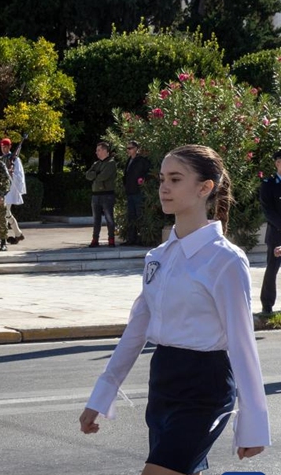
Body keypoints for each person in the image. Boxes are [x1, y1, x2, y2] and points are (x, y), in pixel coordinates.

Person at [79, 145, 270, 475]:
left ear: (204, 188)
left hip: (204, 388)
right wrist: (101, 395)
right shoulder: (158, 257)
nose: (164, 188)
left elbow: (242, 344)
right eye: (162, 179)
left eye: (176, 179)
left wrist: (253, 422)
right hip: (163, 380)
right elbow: (136, 331)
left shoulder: (224, 259)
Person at [259, 150, 281, 313]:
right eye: (280, 162)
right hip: (276, 234)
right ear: (277, 163)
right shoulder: (268, 183)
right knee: (272, 269)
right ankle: (267, 305)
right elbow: (268, 210)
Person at [85, 141, 117, 247]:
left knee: (109, 218)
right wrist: (96, 174)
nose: (96, 152)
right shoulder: (96, 164)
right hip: (95, 195)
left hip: (107, 194)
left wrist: (95, 175)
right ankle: (95, 239)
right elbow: (87, 175)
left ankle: (111, 239)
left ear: (105, 150)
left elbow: (103, 176)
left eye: (99, 150)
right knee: (96, 219)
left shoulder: (111, 163)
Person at [122, 140, 151, 245]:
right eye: (127, 148)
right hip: (130, 192)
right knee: (131, 217)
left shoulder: (141, 161)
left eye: (130, 148)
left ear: (136, 149)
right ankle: (131, 239)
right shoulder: (129, 160)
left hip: (138, 192)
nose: (128, 150)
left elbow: (149, 173)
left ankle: (143, 239)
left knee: (140, 216)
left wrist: (143, 180)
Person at [0, 138, 26, 245]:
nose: (4, 149)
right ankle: (18, 234)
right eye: (2, 146)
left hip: (9, 190)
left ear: (10, 147)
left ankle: (3, 237)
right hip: (1, 190)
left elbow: (20, 175)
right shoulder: (1, 159)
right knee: (6, 213)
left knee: (4, 213)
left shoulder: (15, 159)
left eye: (6, 146)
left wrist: (12, 174)